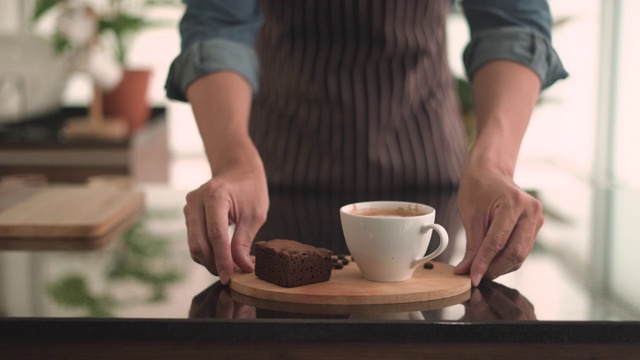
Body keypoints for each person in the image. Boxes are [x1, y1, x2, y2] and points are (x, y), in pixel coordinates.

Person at [165, 0, 568, 287]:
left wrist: (494, 163)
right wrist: (232, 158)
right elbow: (218, 21)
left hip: (425, 162)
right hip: (277, 178)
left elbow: (511, 19)